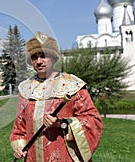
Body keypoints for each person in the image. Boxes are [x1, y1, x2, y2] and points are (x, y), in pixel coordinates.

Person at [9, 32, 103, 162]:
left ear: (53, 58)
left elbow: (93, 121)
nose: (39, 61)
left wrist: (62, 123)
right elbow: (20, 126)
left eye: (44, 56)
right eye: (34, 57)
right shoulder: (26, 89)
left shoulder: (72, 85)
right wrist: (20, 147)